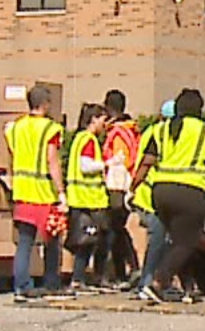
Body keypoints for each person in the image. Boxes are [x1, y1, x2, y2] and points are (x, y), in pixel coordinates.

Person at [131, 89, 205, 304]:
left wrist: (133, 186)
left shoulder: (160, 130)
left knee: (174, 239)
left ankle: (187, 287)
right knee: (187, 241)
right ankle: (158, 282)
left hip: (161, 192)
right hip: (189, 191)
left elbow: (147, 161)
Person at [5, 84, 68, 301]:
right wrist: (61, 191)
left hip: (22, 189)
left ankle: (21, 286)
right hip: (42, 191)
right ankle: (51, 282)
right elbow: (52, 160)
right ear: (45, 104)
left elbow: (13, 152)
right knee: (52, 237)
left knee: (24, 241)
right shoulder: (50, 129)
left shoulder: (16, 127)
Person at [130, 98, 174, 300]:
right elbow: (146, 164)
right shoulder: (160, 134)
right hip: (152, 195)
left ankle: (156, 282)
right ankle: (147, 282)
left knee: (162, 241)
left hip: (153, 194)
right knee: (159, 240)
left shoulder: (152, 132)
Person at [66, 103, 114, 288]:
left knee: (86, 240)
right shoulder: (88, 140)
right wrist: (108, 163)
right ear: (93, 119)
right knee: (97, 239)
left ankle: (81, 278)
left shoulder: (79, 138)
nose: (105, 124)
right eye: (103, 119)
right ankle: (93, 278)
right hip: (90, 199)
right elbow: (85, 166)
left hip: (81, 197)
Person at [101, 90, 143, 285]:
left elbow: (119, 161)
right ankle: (122, 272)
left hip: (118, 185)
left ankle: (130, 268)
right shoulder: (132, 129)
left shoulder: (118, 132)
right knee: (117, 230)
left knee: (115, 229)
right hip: (129, 184)